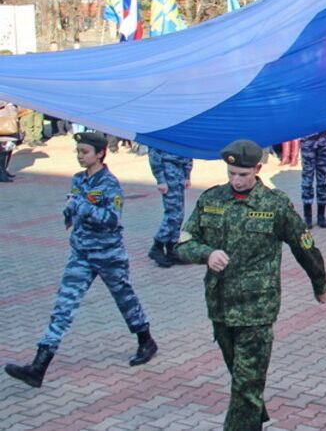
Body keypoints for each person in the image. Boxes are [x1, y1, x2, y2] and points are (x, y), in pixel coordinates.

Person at [176, 139, 326, 430]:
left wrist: (319, 284)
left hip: (256, 310)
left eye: (243, 175)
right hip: (220, 306)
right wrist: (206, 253)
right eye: (231, 173)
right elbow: (183, 244)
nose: (236, 180)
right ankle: (254, 414)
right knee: (242, 378)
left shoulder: (275, 204)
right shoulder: (211, 200)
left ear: (257, 169)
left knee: (246, 385)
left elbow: (304, 246)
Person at [5, 132, 157, 388]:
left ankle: (146, 340)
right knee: (63, 306)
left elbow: (112, 219)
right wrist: (69, 211)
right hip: (82, 254)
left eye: (84, 152)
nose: (79, 156)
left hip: (108, 255)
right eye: (77, 151)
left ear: (100, 154)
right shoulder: (78, 179)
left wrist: (80, 207)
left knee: (125, 300)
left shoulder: (110, 183)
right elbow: (73, 204)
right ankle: (38, 366)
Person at [147, 147, 194, 267]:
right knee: (173, 213)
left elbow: (188, 150)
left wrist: (187, 174)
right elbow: (154, 155)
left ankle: (172, 247)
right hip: (168, 171)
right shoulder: (161, 132)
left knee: (179, 213)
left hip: (179, 170)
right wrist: (160, 179)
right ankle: (157, 246)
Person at [299, 129, 326, 228]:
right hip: (307, 138)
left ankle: (321, 216)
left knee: (322, 179)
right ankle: (307, 216)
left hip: (324, 139)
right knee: (307, 179)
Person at [0, 99, 16, 182]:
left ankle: (5, 171)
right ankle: (1, 174)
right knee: (2, 152)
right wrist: (6, 102)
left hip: (11, 125)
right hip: (3, 126)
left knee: (9, 150)